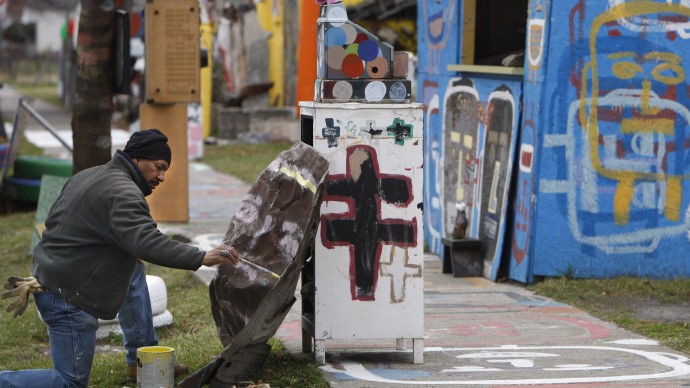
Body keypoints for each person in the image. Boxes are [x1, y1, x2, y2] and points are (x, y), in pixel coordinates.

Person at [0, 129, 241, 388]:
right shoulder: (124, 193)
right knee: (69, 381)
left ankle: (140, 360)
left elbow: (61, 222)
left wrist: (125, 249)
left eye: (165, 171)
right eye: (159, 167)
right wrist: (201, 256)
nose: (161, 177)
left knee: (133, 266)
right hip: (66, 295)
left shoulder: (89, 175)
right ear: (137, 159)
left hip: (55, 273)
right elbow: (148, 241)